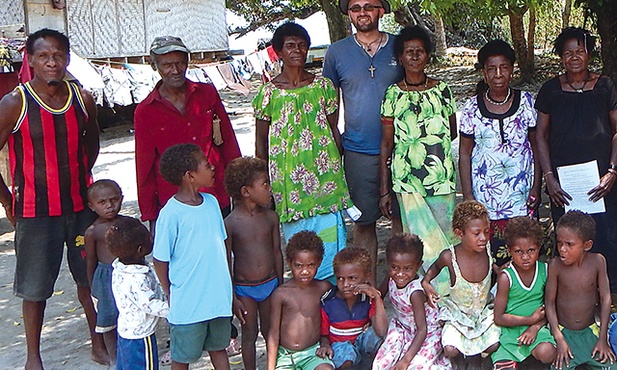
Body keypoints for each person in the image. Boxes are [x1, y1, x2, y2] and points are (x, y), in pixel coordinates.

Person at [0, 28, 104, 369]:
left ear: (68, 58)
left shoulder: (82, 98)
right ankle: (34, 357)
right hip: (34, 212)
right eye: (43, 56)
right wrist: (8, 202)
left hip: (79, 210)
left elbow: (91, 145)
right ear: (30, 60)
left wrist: (82, 181)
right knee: (35, 288)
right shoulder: (15, 102)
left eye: (58, 55)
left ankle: (98, 344)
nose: (52, 62)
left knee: (89, 280)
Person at [253, 23, 351, 283]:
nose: (297, 50)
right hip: (290, 186)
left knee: (332, 255)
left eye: (302, 45)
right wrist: (264, 185)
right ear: (278, 52)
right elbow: (260, 142)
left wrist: (340, 172)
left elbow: (333, 129)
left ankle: (332, 311)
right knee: (301, 257)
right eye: (290, 45)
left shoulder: (323, 87)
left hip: (326, 183)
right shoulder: (268, 94)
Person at [323, 0, 403, 281]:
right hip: (357, 151)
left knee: (401, 222)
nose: (362, 12)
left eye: (369, 6)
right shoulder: (337, 52)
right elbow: (329, 106)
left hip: (401, 150)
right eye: (355, 7)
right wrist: (335, 147)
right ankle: (365, 289)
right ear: (348, 13)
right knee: (363, 222)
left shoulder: (399, 46)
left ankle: (402, 287)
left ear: (381, 10)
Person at [535, 27, 617, 291]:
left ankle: (607, 296)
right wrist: (550, 179)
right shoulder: (550, 90)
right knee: (569, 239)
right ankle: (572, 297)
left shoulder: (605, 86)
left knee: (606, 237)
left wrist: (612, 172)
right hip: (565, 186)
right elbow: (540, 137)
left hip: (602, 182)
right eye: (567, 52)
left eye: (579, 51)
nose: (574, 57)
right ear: (560, 56)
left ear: (589, 53)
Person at [379, 25, 458, 294]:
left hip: (441, 179)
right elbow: (387, 144)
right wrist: (384, 190)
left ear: (428, 56)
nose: (414, 56)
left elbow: (453, 130)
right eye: (408, 52)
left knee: (446, 239)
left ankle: (451, 295)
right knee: (417, 243)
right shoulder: (392, 95)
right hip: (407, 182)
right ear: (400, 58)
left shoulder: (443, 90)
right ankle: (426, 298)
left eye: (420, 52)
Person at [134, 35, 241, 229]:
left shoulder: (207, 93)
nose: (175, 71)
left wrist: (239, 187)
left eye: (180, 63)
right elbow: (144, 167)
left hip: (216, 191)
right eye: (167, 65)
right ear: (155, 66)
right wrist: (151, 216)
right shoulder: (145, 111)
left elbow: (229, 143)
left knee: (222, 249)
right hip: (176, 200)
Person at [152, 143, 238, 370]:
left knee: (219, 348)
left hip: (217, 299)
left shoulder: (211, 203)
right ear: (190, 176)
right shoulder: (170, 214)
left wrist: (230, 290)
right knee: (182, 356)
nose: (212, 168)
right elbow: (160, 260)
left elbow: (222, 249)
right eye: (207, 165)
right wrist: (170, 292)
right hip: (188, 303)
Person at [459, 40, 541, 267]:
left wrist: (536, 186)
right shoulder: (472, 107)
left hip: (520, 195)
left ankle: (522, 298)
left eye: (503, 67)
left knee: (522, 251)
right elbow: (464, 152)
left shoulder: (526, 102)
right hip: (485, 196)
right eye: (491, 69)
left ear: (512, 71)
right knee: (488, 255)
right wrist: (468, 195)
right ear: (484, 73)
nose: (498, 74)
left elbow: (536, 147)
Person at [421, 201, 500, 368]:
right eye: (476, 233)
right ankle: (459, 363)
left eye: (486, 232)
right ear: (459, 233)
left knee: (494, 343)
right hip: (457, 314)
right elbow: (434, 267)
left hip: (483, 313)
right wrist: (426, 282)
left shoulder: (487, 249)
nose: (483, 238)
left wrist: (501, 271)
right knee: (450, 349)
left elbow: (492, 265)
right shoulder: (450, 257)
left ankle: (476, 359)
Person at [223, 156, 284, 370]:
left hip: (270, 284)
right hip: (244, 289)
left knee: (270, 330)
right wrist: (232, 296)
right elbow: (226, 262)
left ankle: (273, 366)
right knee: (249, 334)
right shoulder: (230, 224)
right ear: (246, 191)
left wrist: (280, 284)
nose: (270, 188)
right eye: (265, 184)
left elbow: (277, 252)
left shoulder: (271, 218)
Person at [545, 210, 617, 370]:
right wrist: (558, 338)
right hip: (564, 333)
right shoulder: (555, 266)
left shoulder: (598, 261)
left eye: (569, 244)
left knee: (611, 366)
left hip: (590, 331)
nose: (562, 249)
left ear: (587, 245)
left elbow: (606, 299)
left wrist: (603, 338)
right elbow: (549, 303)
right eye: (559, 243)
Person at [372, 234, 452, 370]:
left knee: (414, 366)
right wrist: (370, 290)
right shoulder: (391, 278)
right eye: (395, 267)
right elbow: (379, 295)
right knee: (381, 364)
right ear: (388, 264)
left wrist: (405, 361)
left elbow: (422, 330)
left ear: (418, 265)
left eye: (407, 268)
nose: (400, 274)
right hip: (402, 328)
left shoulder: (415, 293)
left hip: (426, 334)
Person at [491, 217, 556, 369]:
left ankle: (530, 355)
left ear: (538, 248)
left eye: (531, 251)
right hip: (511, 329)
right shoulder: (506, 277)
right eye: (519, 251)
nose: (525, 257)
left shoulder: (545, 271)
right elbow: (499, 317)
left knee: (547, 353)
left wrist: (535, 326)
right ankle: (509, 357)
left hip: (538, 327)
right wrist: (529, 320)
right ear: (509, 251)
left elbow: (551, 306)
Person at [267, 230, 334, 370]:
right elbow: (273, 333)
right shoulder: (281, 294)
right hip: (286, 356)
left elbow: (338, 310)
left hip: (313, 353)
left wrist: (325, 343)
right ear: (289, 263)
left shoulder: (324, 288)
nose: (305, 271)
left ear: (319, 262)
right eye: (299, 265)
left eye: (310, 265)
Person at [108, 216, 169, 370]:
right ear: (140, 250)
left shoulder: (120, 268)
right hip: (141, 337)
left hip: (126, 332)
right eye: (149, 237)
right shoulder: (136, 279)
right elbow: (149, 304)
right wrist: (175, 309)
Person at [318, 247, 387, 369]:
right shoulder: (329, 302)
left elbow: (382, 331)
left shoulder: (368, 299)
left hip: (360, 343)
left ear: (367, 277)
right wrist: (325, 345)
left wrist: (376, 297)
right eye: (340, 278)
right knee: (346, 352)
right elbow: (324, 335)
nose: (345, 285)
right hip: (340, 348)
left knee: (377, 338)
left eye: (352, 278)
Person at [85, 179, 125, 364]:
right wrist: (94, 288)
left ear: (121, 199)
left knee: (131, 317)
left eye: (114, 199)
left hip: (128, 275)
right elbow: (91, 261)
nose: (110, 205)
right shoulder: (92, 232)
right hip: (105, 278)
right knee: (108, 320)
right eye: (102, 202)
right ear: (91, 206)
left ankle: (130, 355)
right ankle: (115, 359)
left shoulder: (128, 224)